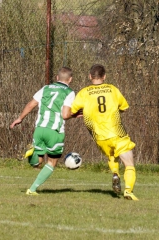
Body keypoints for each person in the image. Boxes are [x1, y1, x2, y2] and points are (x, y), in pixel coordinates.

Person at [62, 64, 138, 200]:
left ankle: (115, 172)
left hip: (99, 137)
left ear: (90, 76)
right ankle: (128, 191)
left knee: (111, 156)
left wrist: (80, 113)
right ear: (104, 77)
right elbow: (124, 107)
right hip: (117, 133)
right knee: (129, 164)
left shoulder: (84, 92)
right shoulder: (112, 89)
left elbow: (70, 112)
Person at [10, 67, 75, 195]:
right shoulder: (69, 92)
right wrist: (76, 114)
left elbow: (31, 104)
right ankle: (32, 189)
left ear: (57, 78)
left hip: (39, 129)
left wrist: (19, 118)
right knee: (51, 162)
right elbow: (65, 114)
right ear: (70, 79)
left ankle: (31, 152)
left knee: (38, 163)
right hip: (54, 131)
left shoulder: (46, 88)